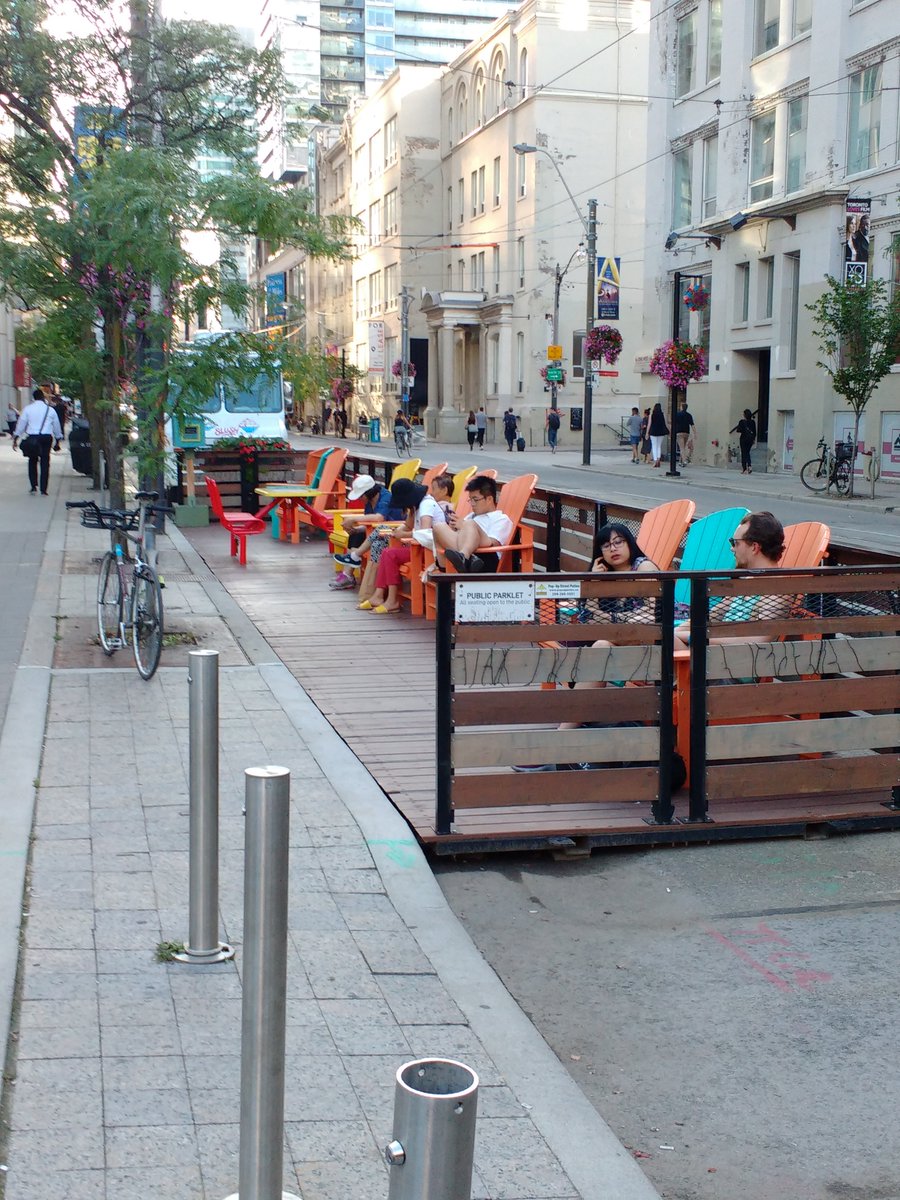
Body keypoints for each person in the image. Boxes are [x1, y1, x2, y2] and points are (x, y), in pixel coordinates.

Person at [674, 512, 788, 647]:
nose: (732, 548)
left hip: (727, 661)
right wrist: (676, 632)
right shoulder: (747, 582)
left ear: (754, 547)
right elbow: (708, 617)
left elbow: (757, 642)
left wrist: (693, 637)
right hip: (708, 652)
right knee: (651, 630)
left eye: (735, 543)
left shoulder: (777, 590)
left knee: (655, 635)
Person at [361, 477, 450, 614]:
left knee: (390, 554)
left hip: (429, 552)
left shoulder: (426, 505)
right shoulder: (417, 505)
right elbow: (408, 525)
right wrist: (399, 531)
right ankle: (378, 596)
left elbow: (425, 533)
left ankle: (392, 601)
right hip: (418, 548)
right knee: (386, 552)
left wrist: (403, 535)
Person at [330, 474, 406, 590]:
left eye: (361, 496)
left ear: (368, 493)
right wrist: (356, 529)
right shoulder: (369, 503)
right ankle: (348, 575)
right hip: (379, 531)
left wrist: (354, 519)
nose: (360, 499)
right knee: (356, 535)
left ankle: (353, 561)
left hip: (394, 534)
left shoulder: (386, 497)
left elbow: (379, 518)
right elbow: (371, 524)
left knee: (364, 538)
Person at [430, 474, 513, 574]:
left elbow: (492, 543)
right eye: (470, 499)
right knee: (439, 527)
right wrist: (454, 529)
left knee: (470, 524)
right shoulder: (470, 516)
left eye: (476, 499)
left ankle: (464, 556)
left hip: (486, 559)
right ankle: (446, 569)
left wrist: (464, 527)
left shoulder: (501, 519)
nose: (472, 504)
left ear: (489, 499)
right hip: (470, 558)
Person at [13, 388, 63, 495]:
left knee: (32, 461)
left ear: (34, 398)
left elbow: (21, 424)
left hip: (32, 438)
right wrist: (58, 439)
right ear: (43, 398)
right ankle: (44, 489)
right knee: (45, 462)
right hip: (46, 438)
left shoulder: (28, 409)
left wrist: (16, 437)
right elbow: (56, 426)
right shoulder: (50, 410)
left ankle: (33, 486)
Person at [732, 408, 756, 474]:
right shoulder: (753, 422)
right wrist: (753, 439)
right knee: (747, 452)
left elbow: (738, 430)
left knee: (743, 453)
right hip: (750, 439)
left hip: (743, 439)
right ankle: (749, 465)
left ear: (745, 415)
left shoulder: (742, 422)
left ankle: (744, 469)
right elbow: (754, 432)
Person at [648, 402, 668, 468]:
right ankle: (658, 460)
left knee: (654, 446)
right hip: (661, 432)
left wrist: (647, 433)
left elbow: (649, 424)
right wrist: (668, 430)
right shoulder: (663, 414)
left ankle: (655, 461)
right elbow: (665, 423)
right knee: (659, 446)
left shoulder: (652, 415)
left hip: (653, 431)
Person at [675, 400, 695, 465]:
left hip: (679, 432)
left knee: (682, 447)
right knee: (683, 447)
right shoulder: (689, 415)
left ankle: (684, 461)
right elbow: (692, 425)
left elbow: (674, 423)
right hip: (686, 432)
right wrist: (695, 433)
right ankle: (680, 461)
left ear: (681, 407)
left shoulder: (677, 414)